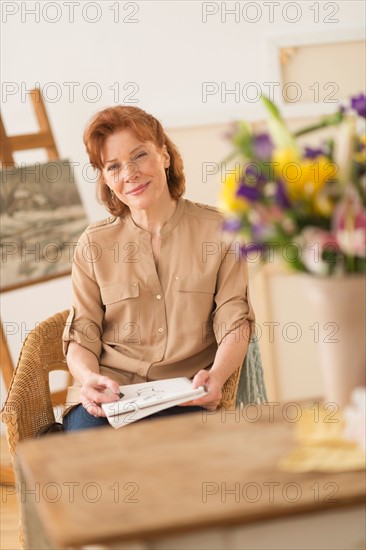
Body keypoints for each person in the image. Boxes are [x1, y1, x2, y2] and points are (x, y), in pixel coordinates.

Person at [62, 105, 255, 431]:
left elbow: (234, 319)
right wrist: (88, 377)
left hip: (185, 395)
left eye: (139, 156)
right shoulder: (93, 245)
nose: (129, 174)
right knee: (82, 455)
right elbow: (82, 333)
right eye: (113, 167)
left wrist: (218, 376)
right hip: (114, 396)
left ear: (164, 155)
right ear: (106, 179)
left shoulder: (220, 231)